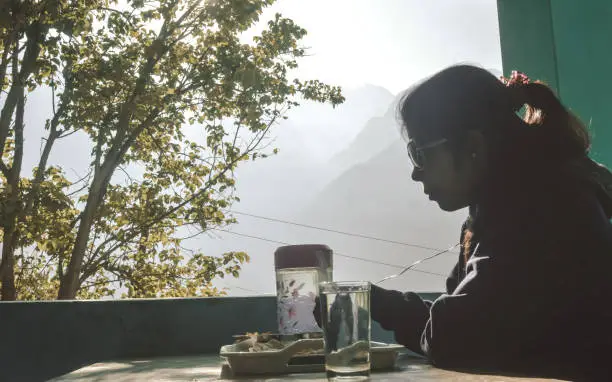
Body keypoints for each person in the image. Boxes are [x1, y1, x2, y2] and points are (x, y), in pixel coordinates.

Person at [317, 65, 612, 381]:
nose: (415, 172)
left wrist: (383, 305)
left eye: (420, 153)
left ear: (473, 146)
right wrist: (373, 302)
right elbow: (459, 319)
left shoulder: (544, 209)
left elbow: (454, 338)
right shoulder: (513, 202)